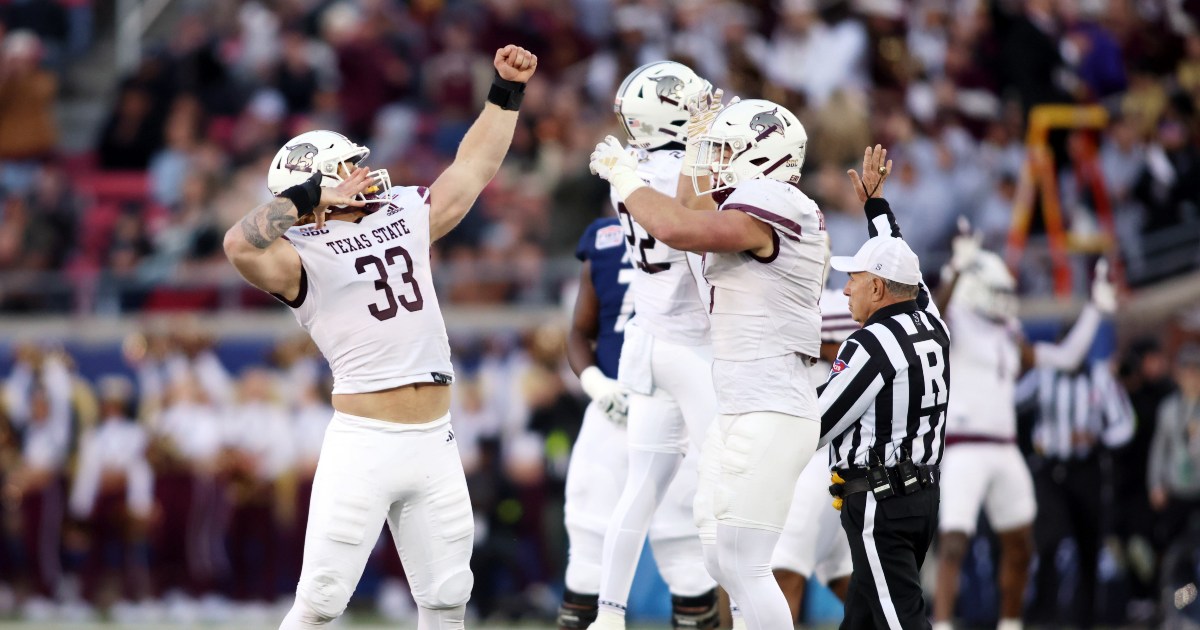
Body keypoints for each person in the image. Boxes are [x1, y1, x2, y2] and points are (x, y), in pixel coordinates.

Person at [223, 44, 538, 630]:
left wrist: (506, 93)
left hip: (435, 437)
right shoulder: (298, 257)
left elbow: (471, 170)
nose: (362, 175)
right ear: (315, 185)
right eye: (345, 169)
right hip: (364, 440)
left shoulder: (400, 211)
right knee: (321, 599)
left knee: (447, 596)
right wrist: (313, 198)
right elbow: (238, 245)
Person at [590, 94, 824, 630]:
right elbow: (691, 214)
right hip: (742, 404)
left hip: (773, 405)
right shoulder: (747, 205)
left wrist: (627, 179)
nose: (713, 162)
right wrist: (696, 140)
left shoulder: (779, 202)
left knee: (745, 564)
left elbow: (678, 228)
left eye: (724, 149)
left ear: (762, 156)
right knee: (720, 556)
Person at [583, 61, 721, 630]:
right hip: (695, 346)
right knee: (728, 487)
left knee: (639, 492)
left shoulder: (629, 167)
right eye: (693, 104)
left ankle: (609, 616)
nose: (707, 109)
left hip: (652, 342)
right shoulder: (673, 175)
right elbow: (701, 228)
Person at [931, 227, 1116, 630]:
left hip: (1006, 446)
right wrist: (955, 269)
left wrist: (1095, 310)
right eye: (997, 291)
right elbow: (931, 320)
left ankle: (1010, 623)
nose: (1004, 300)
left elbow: (1065, 358)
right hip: (963, 446)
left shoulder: (1009, 335)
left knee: (1020, 545)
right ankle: (942, 623)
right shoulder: (956, 321)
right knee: (954, 541)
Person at [817, 145, 949, 630]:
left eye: (855, 278)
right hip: (921, 497)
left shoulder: (870, 343)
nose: (847, 289)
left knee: (901, 623)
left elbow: (820, 421)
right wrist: (877, 208)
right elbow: (905, 268)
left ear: (878, 288)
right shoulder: (932, 322)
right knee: (863, 622)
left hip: (880, 502)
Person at [559, 216, 713, 630]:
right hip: (614, 410)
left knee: (687, 554)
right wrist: (595, 383)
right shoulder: (605, 237)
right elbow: (579, 330)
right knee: (588, 549)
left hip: (679, 408)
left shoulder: (706, 228)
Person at [772, 238, 855, 622]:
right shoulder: (771, 301)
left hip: (822, 451)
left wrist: (824, 345)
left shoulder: (840, 303)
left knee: (783, 569)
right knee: (844, 579)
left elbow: (869, 356)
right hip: (793, 450)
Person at [1019, 354, 1133, 629]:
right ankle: (1044, 614)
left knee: (1088, 543)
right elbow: (1014, 399)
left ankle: (1085, 618)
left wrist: (1098, 437)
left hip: (1086, 467)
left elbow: (1125, 424)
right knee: (1048, 539)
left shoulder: (1100, 377)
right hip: (1050, 468)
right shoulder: (1043, 375)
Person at [1147, 344, 1200, 553]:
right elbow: (1159, 449)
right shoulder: (1168, 408)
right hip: (1176, 489)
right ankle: (1181, 587)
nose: (1192, 377)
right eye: (1187, 371)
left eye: (1196, 371)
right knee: (1175, 549)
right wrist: (1155, 483)